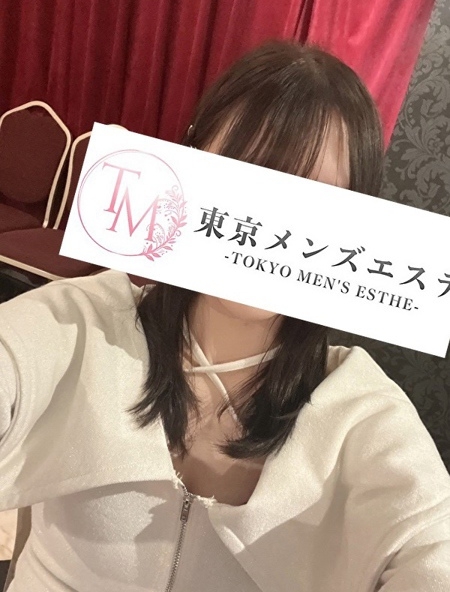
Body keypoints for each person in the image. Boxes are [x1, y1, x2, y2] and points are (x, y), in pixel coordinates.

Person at [0, 41, 449, 592]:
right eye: (242, 176)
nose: (267, 227)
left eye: (313, 200)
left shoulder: (363, 416)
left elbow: (431, 544)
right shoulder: (84, 325)